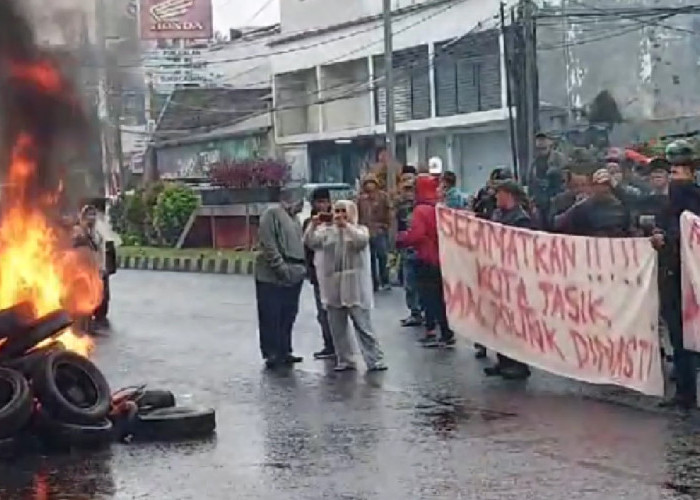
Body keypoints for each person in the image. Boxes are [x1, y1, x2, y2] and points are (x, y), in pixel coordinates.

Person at [304, 200, 387, 372]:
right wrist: (313, 225)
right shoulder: (327, 231)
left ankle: (375, 359)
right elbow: (310, 242)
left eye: (344, 211)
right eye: (337, 211)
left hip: (354, 285)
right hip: (333, 285)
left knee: (363, 326)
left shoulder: (359, 230)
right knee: (337, 327)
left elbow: (361, 241)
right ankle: (345, 359)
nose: (340, 215)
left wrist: (346, 226)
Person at [651, 140, 700, 409]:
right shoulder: (668, 202)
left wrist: (667, 239)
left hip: (690, 278)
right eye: (671, 172)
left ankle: (688, 391)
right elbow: (663, 225)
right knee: (678, 336)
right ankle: (684, 390)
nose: (674, 178)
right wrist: (658, 235)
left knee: (689, 336)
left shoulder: (693, 199)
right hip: (672, 274)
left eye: (678, 173)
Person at [397, 175, 455, 348]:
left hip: (426, 257)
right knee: (439, 297)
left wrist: (402, 239)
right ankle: (445, 331)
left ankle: (432, 331)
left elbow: (416, 234)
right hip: (441, 257)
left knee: (428, 297)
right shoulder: (439, 207)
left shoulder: (421, 210)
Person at [483, 180, 533, 380]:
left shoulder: (521, 219)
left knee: (514, 321)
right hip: (498, 272)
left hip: (514, 275)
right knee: (499, 319)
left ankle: (519, 364)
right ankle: (503, 360)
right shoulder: (498, 215)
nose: (496, 197)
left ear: (509, 195)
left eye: (499, 194)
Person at [255, 186, 307, 369]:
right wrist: (280, 267)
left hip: (295, 271)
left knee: (288, 314)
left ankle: (285, 349)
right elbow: (269, 244)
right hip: (272, 275)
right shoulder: (272, 214)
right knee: (271, 315)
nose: (302, 204)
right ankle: (272, 353)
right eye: (300, 199)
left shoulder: (295, 220)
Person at [303, 187, 335, 360]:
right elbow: (307, 247)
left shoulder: (338, 219)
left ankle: (340, 344)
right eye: (319, 202)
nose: (322, 206)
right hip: (318, 274)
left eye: (325, 201)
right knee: (323, 312)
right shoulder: (309, 223)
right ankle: (329, 344)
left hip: (336, 272)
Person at [553, 168, 631, 237]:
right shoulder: (582, 208)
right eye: (598, 185)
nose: (602, 188)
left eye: (606, 185)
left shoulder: (620, 208)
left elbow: (630, 230)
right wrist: (576, 207)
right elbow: (557, 224)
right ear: (592, 187)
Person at [72, 205, 107, 332]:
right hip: (79, 273)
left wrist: (102, 268)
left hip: (92, 271)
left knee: (92, 300)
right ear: (82, 217)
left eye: (93, 215)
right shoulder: (77, 232)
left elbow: (100, 252)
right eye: (88, 215)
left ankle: (87, 325)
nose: (91, 219)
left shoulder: (98, 236)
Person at [357, 173, 392, 291]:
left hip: (380, 230)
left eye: (372, 183)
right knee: (369, 258)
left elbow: (388, 212)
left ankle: (385, 280)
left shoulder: (383, 197)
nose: (370, 185)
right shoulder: (360, 199)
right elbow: (357, 215)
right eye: (367, 183)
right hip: (365, 231)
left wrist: (387, 226)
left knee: (382, 256)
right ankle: (373, 282)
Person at [396, 177, 422, 327]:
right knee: (408, 283)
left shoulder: (421, 208)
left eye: (410, 190)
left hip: (419, 249)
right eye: (405, 190)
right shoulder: (402, 208)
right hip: (406, 248)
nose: (408, 194)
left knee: (417, 283)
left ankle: (420, 312)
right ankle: (414, 311)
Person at [528, 132, 566, 229]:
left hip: (556, 200)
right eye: (539, 148)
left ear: (550, 143)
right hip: (540, 202)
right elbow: (531, 183)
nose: (541, 149)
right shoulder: (535, 162)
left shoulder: (559, 159)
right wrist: (532, 200)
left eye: (543, 140)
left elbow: (565, 178)